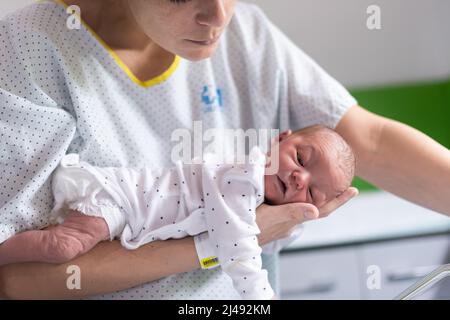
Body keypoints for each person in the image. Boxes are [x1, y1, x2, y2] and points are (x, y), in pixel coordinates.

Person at [0, 0, 448, 299]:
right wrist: (226, 239)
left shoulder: (246, 33)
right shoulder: (28, 49)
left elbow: (365, 142)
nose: (217, 17)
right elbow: (19, 279)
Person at [0, 125, 355, 300]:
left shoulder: (259, 202)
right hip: (117, 198)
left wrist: (298, 220)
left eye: (311, 190)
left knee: (59, 243)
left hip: (125, 214)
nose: (298, 177)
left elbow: (264, 239)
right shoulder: (242, 177)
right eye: (302, 159)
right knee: (62, 248)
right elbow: (238, 246)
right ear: (280, 139)